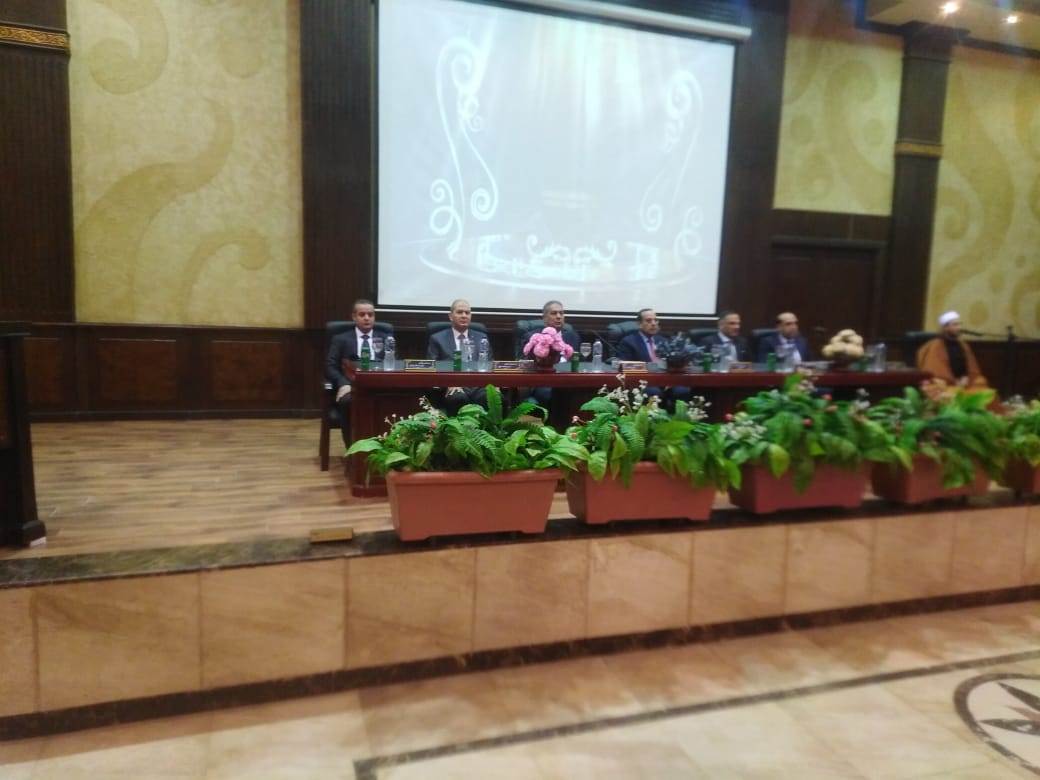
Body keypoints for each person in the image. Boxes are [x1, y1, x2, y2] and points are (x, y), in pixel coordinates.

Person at [325, 299, 384, 447]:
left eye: (370, 314)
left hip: (379, 387)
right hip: (351, 387)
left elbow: (392, 364)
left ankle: (384, 447)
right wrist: (343, 384)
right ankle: (352, 449)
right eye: (362, 314)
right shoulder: (341, 339)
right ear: (354, 317)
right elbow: (330, 366)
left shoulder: (385, 338)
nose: (367, 318)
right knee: (348, 401)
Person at [426, 299, 491, 414]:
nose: (464, 315)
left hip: (478, 385)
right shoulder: (437, 338)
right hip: (452, 385)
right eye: (460, 312)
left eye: (467, 313)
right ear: (451, 316)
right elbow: (432, 369)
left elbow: (489, 364)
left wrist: (491, 385)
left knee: (490, 398)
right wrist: (449, 384)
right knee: (457, 398)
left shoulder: (482, 338)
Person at [527, 300, 582, 407]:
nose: (558, 316)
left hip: (569, 380)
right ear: (544, 318)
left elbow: (579, 363)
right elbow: (527, 364)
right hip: (543, 382)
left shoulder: (573, 336)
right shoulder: (534, 337)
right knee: (557, 392)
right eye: (554, 313)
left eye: (561, 313)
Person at [917, 311, 988, 390]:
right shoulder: (935, 346)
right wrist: (954, 382)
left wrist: (966, 377)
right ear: (945, 327)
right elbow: (936, 370)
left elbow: (972, 367)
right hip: (947, 382)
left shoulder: (963, 345)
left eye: (960, 324)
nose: (959, 328)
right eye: (955, 325)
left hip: (965, 381)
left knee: (981, 382)